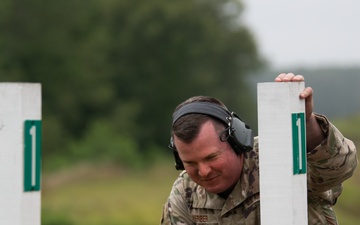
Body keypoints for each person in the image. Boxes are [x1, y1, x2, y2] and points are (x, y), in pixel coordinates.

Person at [160, 73, 357, 225]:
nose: (203, 171)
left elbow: (338, 169)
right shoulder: (185, 191)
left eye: (211, 157)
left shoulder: (280, 157)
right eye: (190, 163)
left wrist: (307, 123)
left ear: (236, 139)